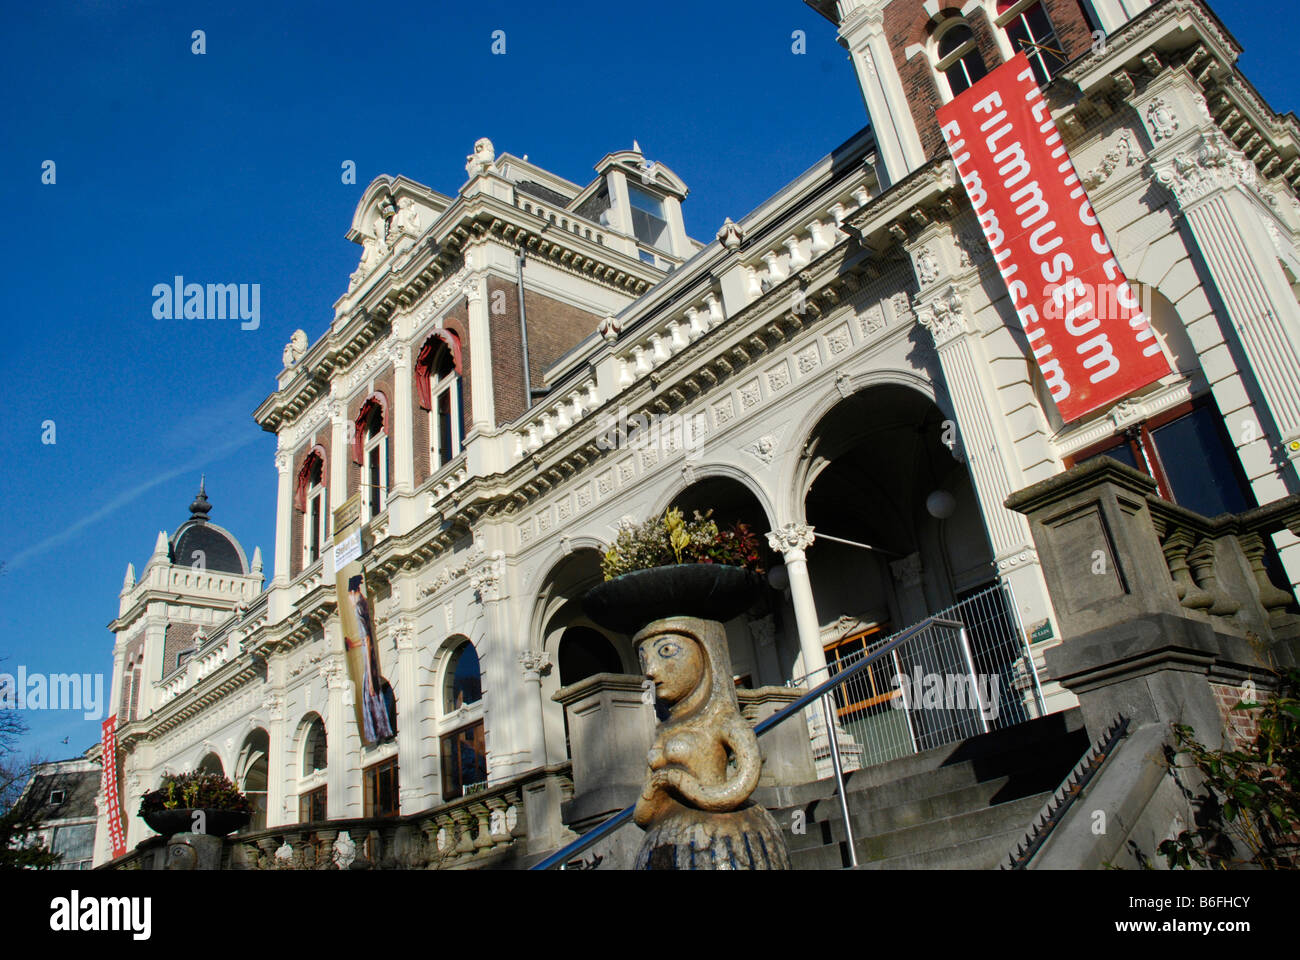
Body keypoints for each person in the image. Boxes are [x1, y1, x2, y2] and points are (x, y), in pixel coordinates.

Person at [347, 574, 395, 745]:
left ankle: (379, 730)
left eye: (350, 596)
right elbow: (365, 639)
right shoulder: (360, 609)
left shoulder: (359, 609)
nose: (349, 600)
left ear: (354, 593)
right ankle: (380, 729)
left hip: (369, 662)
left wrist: (371, 680)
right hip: (367, 658)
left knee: (371, 694)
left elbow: (367, 640)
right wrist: (353, 645)